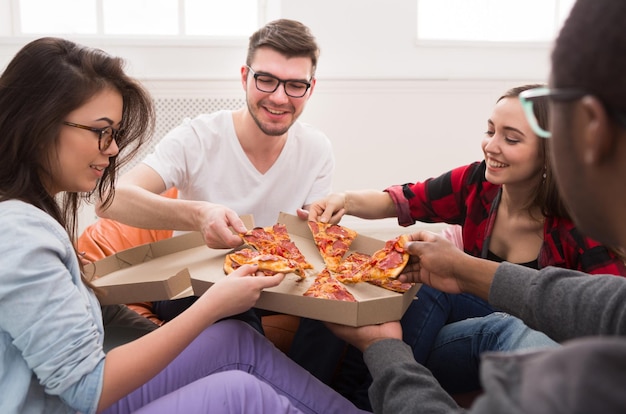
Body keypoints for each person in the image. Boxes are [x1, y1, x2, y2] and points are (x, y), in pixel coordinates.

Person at [0, 36, 367, 414]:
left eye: (295, 85)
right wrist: (209, 306)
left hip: (77, 390)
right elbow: (86, 389)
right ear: (38, 124)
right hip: (78, 401)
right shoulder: (19, 233)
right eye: (101, 131)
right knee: (238, 391)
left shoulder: (33, 218)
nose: (111, 150)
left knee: (234, 338)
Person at [327, 0, 626, 411]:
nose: (491, 146)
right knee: (425, 277)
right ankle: (351, 392)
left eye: (512, 138)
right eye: (490, 131)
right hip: (463, 322)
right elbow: (405, 199)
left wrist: (386, 350)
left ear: (551, 153)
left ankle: (362, 390)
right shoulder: (476, 183)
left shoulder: (580, 226)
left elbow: (598, 325)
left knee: (496, 322)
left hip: (531, 340)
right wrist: (344, 199)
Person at [96, 18, 333, 324]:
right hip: (194, 289)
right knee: (237, 308)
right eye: (266, 80)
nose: (279, 97)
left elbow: (315, 243)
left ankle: (312, 375)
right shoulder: (197, 137)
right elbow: (108, 199)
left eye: (295, 85)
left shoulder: (317, 149)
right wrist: (200, 215)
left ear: (311, 88)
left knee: (335, 305)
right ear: (245, 77)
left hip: (278, 288)